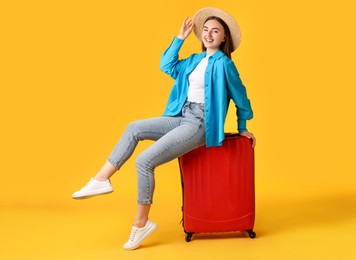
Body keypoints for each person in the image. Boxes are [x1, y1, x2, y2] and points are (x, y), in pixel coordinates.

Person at [72, 7, 256, 250]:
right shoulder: (195, 60)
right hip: (183, 115)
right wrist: (179, 38)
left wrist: (242, 127)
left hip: (200, 124)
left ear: (224, 38)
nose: (209, 35)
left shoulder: (224, 65)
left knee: (144, 161)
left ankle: (141, 224)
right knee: (134, 127)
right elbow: (166, 65)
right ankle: (101, 179)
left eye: (216, 31)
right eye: (206, 30)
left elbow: (241, 97)